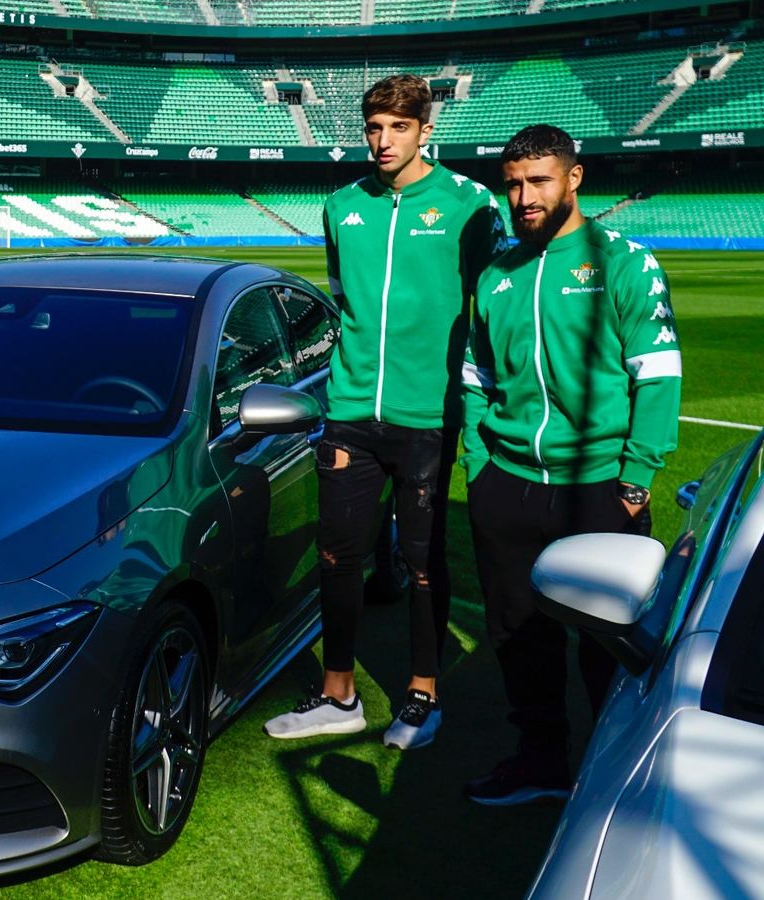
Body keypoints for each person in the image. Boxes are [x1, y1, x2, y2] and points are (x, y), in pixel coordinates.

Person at [264, 75, 507, 749]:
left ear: (426, 131)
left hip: (429, 413)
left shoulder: (471, 205)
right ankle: (338, 694)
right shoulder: (342, 205)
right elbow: (344, 299)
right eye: (374, 126)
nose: (382, 140)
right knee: (339, 554)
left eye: (398, 127)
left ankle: (423, 694)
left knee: (427, 560)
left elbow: (489, 306)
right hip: (349, 410)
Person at [462, 124, 680, 804]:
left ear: (574, 178)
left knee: (607, 643)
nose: (523, 197)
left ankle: (617, 772)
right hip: (508, 486)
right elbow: (476, 375)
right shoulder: (496, 273)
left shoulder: (623, 262)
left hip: (599, 488)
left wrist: (638, 474)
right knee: (518, 636)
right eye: (514, 184)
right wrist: (478, 463)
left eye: (539, 181)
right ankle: (542, 762)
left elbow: (658, 373)